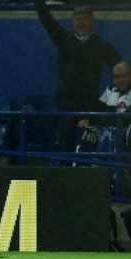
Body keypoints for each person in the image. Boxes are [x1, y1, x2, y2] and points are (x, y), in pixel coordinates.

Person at [33, 0, 122, 155]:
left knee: (87, 143)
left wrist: (117, 89)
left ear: (92, 22)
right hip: (66, 101)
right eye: (78, 19)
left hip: (89, 103)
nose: (81, 22)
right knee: (65, 142)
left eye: (85, 19)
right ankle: (63, 173)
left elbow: (120, 67)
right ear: (73, 22)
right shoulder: (63, 38)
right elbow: (47, 21)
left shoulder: (100, 45)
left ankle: (85, 175)